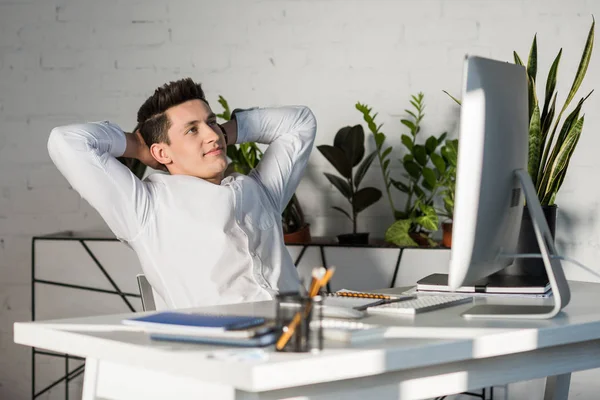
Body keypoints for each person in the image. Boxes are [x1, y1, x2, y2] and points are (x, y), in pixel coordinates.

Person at [48, 77, 317, 309]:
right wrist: (138, 146)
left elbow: (300, 122)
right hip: (223, 351)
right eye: (192, 130)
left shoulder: (261, 191)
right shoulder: (146, 208)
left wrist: (225, 131)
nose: (212, 135)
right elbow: (67, 142)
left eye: (211, 122)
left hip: (296, 339)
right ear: (161, 152)